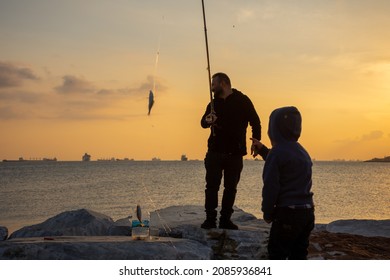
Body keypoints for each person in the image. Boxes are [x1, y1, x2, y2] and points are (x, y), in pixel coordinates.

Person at [251, 106, 315, 259]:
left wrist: (267, 212)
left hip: (288, 214)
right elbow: (286, 165)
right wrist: (263, 150)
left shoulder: (277, 153)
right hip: (307, 213)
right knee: (299, 255)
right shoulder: (302, 152)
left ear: (274, 129)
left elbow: (271, 187)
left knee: (277, 254)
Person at [200, 72, 261, 230]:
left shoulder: (243, 100)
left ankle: (225, 219)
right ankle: (210, 219)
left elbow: (255, 121)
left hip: (235, 153)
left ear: (223, 84)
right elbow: (202, 122)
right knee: (212, 187)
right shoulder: (213, 104)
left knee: (231, 188)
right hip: (215, 152)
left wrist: (256, 141)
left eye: (214, 84)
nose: (211, 88)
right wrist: (207, 121)